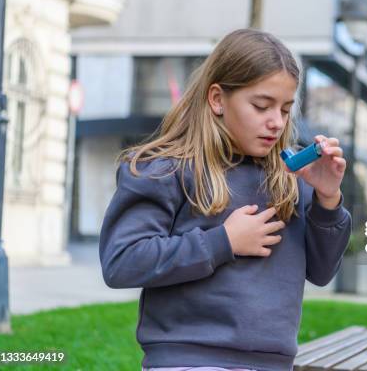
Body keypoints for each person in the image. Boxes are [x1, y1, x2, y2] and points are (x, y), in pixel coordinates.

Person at [99, 29, 352, 371]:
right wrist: (224, 241)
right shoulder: (164, 170)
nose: (276, 122)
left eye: (286, 109)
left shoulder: (290, 177)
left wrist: (328, 198)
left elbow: (322, 272)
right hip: (190, 360)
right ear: (217, 99)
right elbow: (122, 261)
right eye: (261, 106)